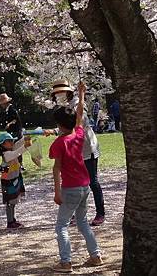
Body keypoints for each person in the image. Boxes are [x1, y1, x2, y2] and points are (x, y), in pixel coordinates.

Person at [49, 81, 103, 272]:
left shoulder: (58, 143)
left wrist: (57, 193)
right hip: (84, 186)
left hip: (70, 188)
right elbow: (79, 114)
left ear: (59, 125)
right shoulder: (79, 135)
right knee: (82, 222)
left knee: (61, 226)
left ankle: (65, 261)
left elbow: (56, 169)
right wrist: (81, 95)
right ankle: (95, 255)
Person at [45, 80, 106, 226]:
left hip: (86, 147)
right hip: (73, 149)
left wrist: (82, 93)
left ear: (68, 91)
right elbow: (67, 126)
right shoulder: (64, 106)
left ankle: (100, 213)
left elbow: (79, 121)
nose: (59, 94)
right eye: (57, 92)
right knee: (73, 180)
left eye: (61, 91)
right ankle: (74, 213)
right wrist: (54, 131)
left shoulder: (77, 102)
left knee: (92, 181)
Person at [0, 131, 31, 229]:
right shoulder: (7, 154)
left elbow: (17, 144)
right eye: (9, 141)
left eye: (12, 141)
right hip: (8, 181)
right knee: (10, 203)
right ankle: (10, 222)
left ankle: (12, 220)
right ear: (2, 144)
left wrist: (25, 138)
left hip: (14, 179)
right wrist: (26, 146)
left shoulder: (10, 149)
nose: (11, 143)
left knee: (13, 201)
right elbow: (17, 152)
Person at [0, 92, 24, 166]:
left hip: (16, 132)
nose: (1, 105)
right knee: (11, 148)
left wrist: (9, 123)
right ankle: (11, 163)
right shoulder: (8, 110)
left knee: (16, 148)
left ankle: (19, 164)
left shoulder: (12, 110)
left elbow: (15, 119)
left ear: (4, 103)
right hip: (13, 132)